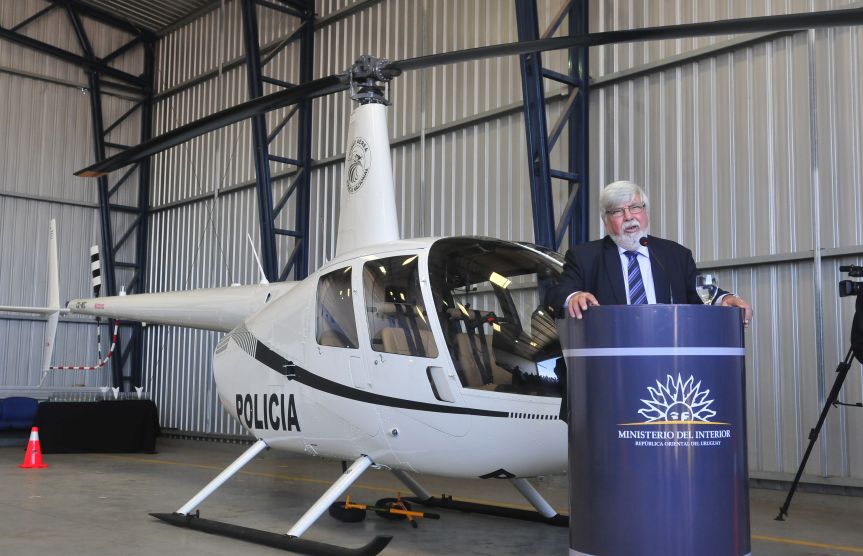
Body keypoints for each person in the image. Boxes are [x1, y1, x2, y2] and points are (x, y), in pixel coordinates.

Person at [545, 180, 753, 326]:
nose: (628, 217)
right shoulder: (585, 257)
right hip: (613, 357)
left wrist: (725, 298)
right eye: (617, 211)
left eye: (635, 207)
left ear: (646, 213)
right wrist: (575, 296)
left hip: (670, 353)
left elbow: (700, 290)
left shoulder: (675, 255)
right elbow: (556, 293)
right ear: (606, 221)